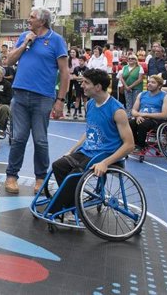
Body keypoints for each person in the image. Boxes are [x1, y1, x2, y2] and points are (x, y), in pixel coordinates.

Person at [49, 69, 134, 213]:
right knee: (58, 165)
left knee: (74, 174)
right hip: (88, 151)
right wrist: (71, 150)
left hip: (105, 154)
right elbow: (89, 133)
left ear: (98, 87)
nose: (82, 86)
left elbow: (129, 145)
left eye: (86, 83)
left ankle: (56, 209)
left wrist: (105, 163)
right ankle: (71, 205)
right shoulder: (90, 105)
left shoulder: (117, 111)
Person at [4, 6, 69, 195]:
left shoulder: (56, 40)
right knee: (18, 138)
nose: (28, 20)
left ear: (42, 21)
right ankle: (11, 176)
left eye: (32, 17)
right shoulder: (25, 36)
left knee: (40, 140)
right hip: (20, 95)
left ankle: (40, 178)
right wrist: (24, 44)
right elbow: (8, 61)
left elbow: (65, 72)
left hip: (43, 98)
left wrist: (61, 100)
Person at [129, 75, 167, 149]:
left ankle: (140, 146)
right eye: (149, 82)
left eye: (153, 82)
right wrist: (138, 116)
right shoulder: (141, 94)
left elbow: (164, 115)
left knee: (142, 124)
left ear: (159, 86)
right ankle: (135, 143)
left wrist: (145, 115)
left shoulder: (166, 97)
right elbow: (133, 110)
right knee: (130, 123)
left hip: (155, 121)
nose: (149, 84)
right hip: (141, 117)